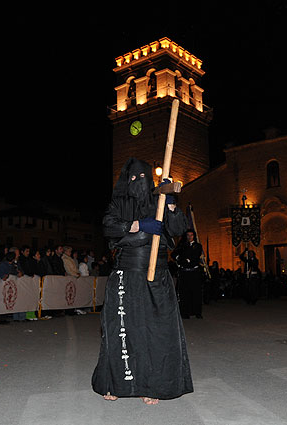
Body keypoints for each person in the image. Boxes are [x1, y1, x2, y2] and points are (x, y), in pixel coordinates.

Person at [91, 157, 192, 405]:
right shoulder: (119, 203)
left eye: (143, 178)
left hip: (158, 276)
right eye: (133, 178)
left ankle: (153, 385)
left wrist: (170, 206)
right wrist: (138, 225)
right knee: (121, 331)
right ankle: (114, 383)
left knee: (156, 332)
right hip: (127, 273)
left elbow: (179, 229)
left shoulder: (160, 201)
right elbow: (108, 226)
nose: (138, 182)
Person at [172, 229, 204, 319]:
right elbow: (174, 254)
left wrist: (184, 258)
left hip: (194, 272)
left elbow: (194, 256)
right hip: (184, 273)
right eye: (188, 235)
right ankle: (185, 313)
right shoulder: (182, 245)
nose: (189, 237)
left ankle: (197, 312)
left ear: (194, 236)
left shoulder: (198, 246)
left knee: (196, 293)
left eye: (191, 235)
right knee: (184, 294)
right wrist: (181, 259)